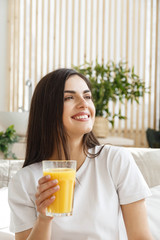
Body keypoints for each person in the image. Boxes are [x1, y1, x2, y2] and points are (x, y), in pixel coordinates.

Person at [8, 68, 153, 240]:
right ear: (47, 110)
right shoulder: (25, 181)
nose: (84, 103)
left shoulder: (114, 160)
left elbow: (141, 237)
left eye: (87, 96)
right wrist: (44, 220)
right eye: (69, 97)